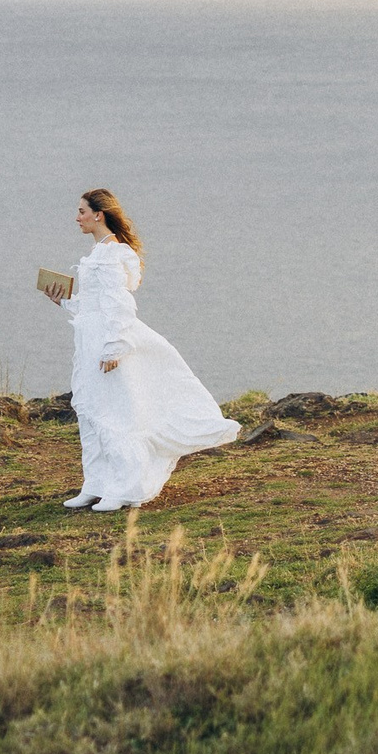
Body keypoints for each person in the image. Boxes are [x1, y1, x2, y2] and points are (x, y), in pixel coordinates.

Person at [55, 187, 238, 511]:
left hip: (108, 340)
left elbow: (119, 303)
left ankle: (126, 488)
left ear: (98, 214)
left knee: (116, 412)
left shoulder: (112, 253)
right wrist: (66, 300)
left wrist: (115, 347)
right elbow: (95, 304)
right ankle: (95, 483)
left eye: (82, 211)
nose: (77, 217)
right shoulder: (99, 251)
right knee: (91, 410)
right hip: (90, 337)